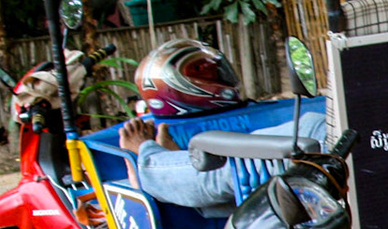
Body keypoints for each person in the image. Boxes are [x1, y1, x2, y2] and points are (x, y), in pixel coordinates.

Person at [118, 38, 327, 214]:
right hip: (326, 142)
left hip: (321, 144)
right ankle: (159, 167)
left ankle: (151, 167)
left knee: (229, 167)